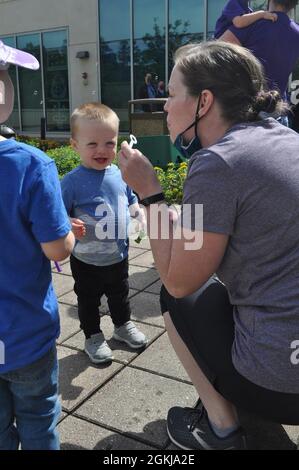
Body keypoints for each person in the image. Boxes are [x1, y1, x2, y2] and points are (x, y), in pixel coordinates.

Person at [118, 41, 299, 450]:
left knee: (176, 297)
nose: (164, 106)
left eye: (172, 93)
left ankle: (220, 430)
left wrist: (149, 194)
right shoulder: (286, 140)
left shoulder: (217, 162)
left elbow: (180, 281)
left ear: (203, 101)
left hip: (281, 382)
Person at [0, 40, 75, 450]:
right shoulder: (30, 164)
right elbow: (57, 250)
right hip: (24, 335)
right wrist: (68, 233)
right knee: (38, 418)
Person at [61, 103, 147, 364]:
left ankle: (122, 326)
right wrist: (68, 222)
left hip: (117, 254)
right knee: (88, 300)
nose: (102, 150)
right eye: (92, 144)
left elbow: (131, 197)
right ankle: (93, 336)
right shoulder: (72, 182)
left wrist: (137, 211)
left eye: (109, 143)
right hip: (86, 259)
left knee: (120, 294)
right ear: (75, 145)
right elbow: (56, 214)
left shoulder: (120, 174)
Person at [218, 0, 299, 102]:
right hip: (277, 105)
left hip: (247, 106)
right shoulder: (297, 31)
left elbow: (216, 50)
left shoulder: (251, 23)